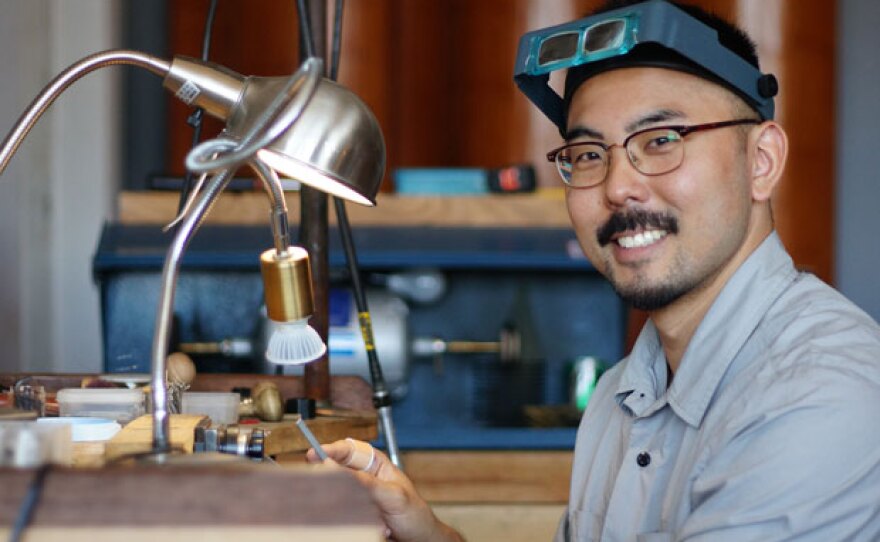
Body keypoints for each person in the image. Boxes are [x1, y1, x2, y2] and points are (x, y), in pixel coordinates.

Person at [307, 1, 880, 540]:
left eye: (661, 140)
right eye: (587, 154)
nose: (618, 187)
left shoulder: (819, 391)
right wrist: (425, 532)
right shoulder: (618, 396)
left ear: (761, 161)